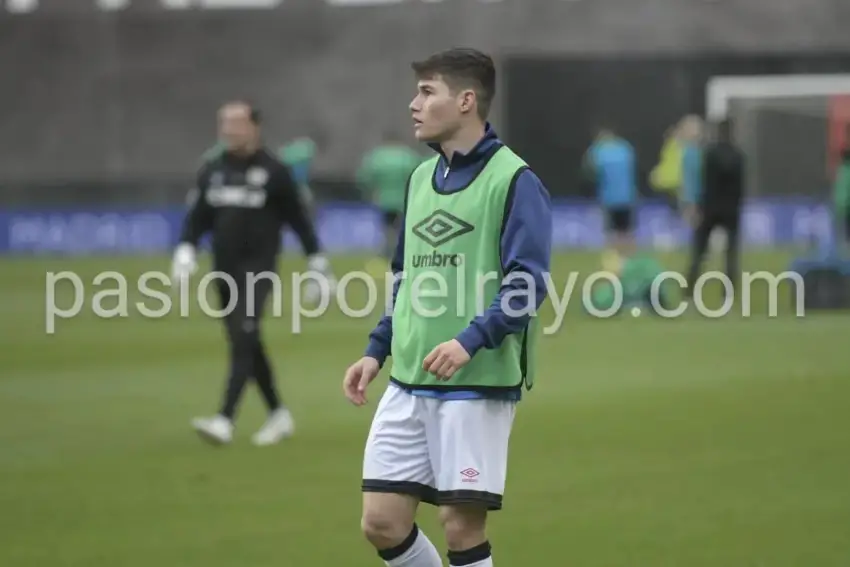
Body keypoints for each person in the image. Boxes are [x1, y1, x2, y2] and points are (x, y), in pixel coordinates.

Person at [342, 48, 552, 567]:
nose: (414, 104)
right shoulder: (418, 180)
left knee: (460, 526)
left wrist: (469, 340)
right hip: (408, 378)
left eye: (426, 92)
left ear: (465, 101)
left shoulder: (515, 180)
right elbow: (406, 278)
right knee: (382, 522)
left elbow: (528, 285)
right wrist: (378, 348)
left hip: (474, 381)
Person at [172, 101, 335, 446]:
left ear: (254, 127)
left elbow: (299, 219)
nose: (228, 129)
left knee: (244, 335)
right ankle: (278, 414)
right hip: (224, 269)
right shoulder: (212, 169)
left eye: (235, 122)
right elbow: (197, 216)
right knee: (245, 341)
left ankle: (224, 419)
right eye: (224, 122)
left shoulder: (274, 171)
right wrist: (186, 248)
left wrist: (317, 262)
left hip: (258, 268)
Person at [685, 118, 745, 296]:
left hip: (710, 208)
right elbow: (740, 187)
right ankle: (728, 292)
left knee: (699, 251)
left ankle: (689, 288)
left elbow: (704, 183)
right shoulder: (738, 155)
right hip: (731, 209)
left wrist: (698, 205)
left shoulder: (709, 154)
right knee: (731, 253)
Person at [356, 132, 423, 270]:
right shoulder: (408, 156)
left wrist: (371, 191)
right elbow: (421, 175)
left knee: (387, 229)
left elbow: (364, 177)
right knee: (402, 229)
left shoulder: (377, 157)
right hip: (404, 200)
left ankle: (387, 253)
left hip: (384, 200)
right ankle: (401, 253)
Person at [583, 127, 637, 271]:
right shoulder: (625, 148)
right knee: (627, 232)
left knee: (612, 233)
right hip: (628, 196)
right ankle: (629, 262)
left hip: (609, 198)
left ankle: (615, 263)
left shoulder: (598, 151)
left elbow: (590, 169)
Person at [834, 135, 850, 249]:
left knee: (845, 233)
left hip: (842, 206)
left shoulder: (841, 171)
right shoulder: (843, 171)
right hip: (845, 206)